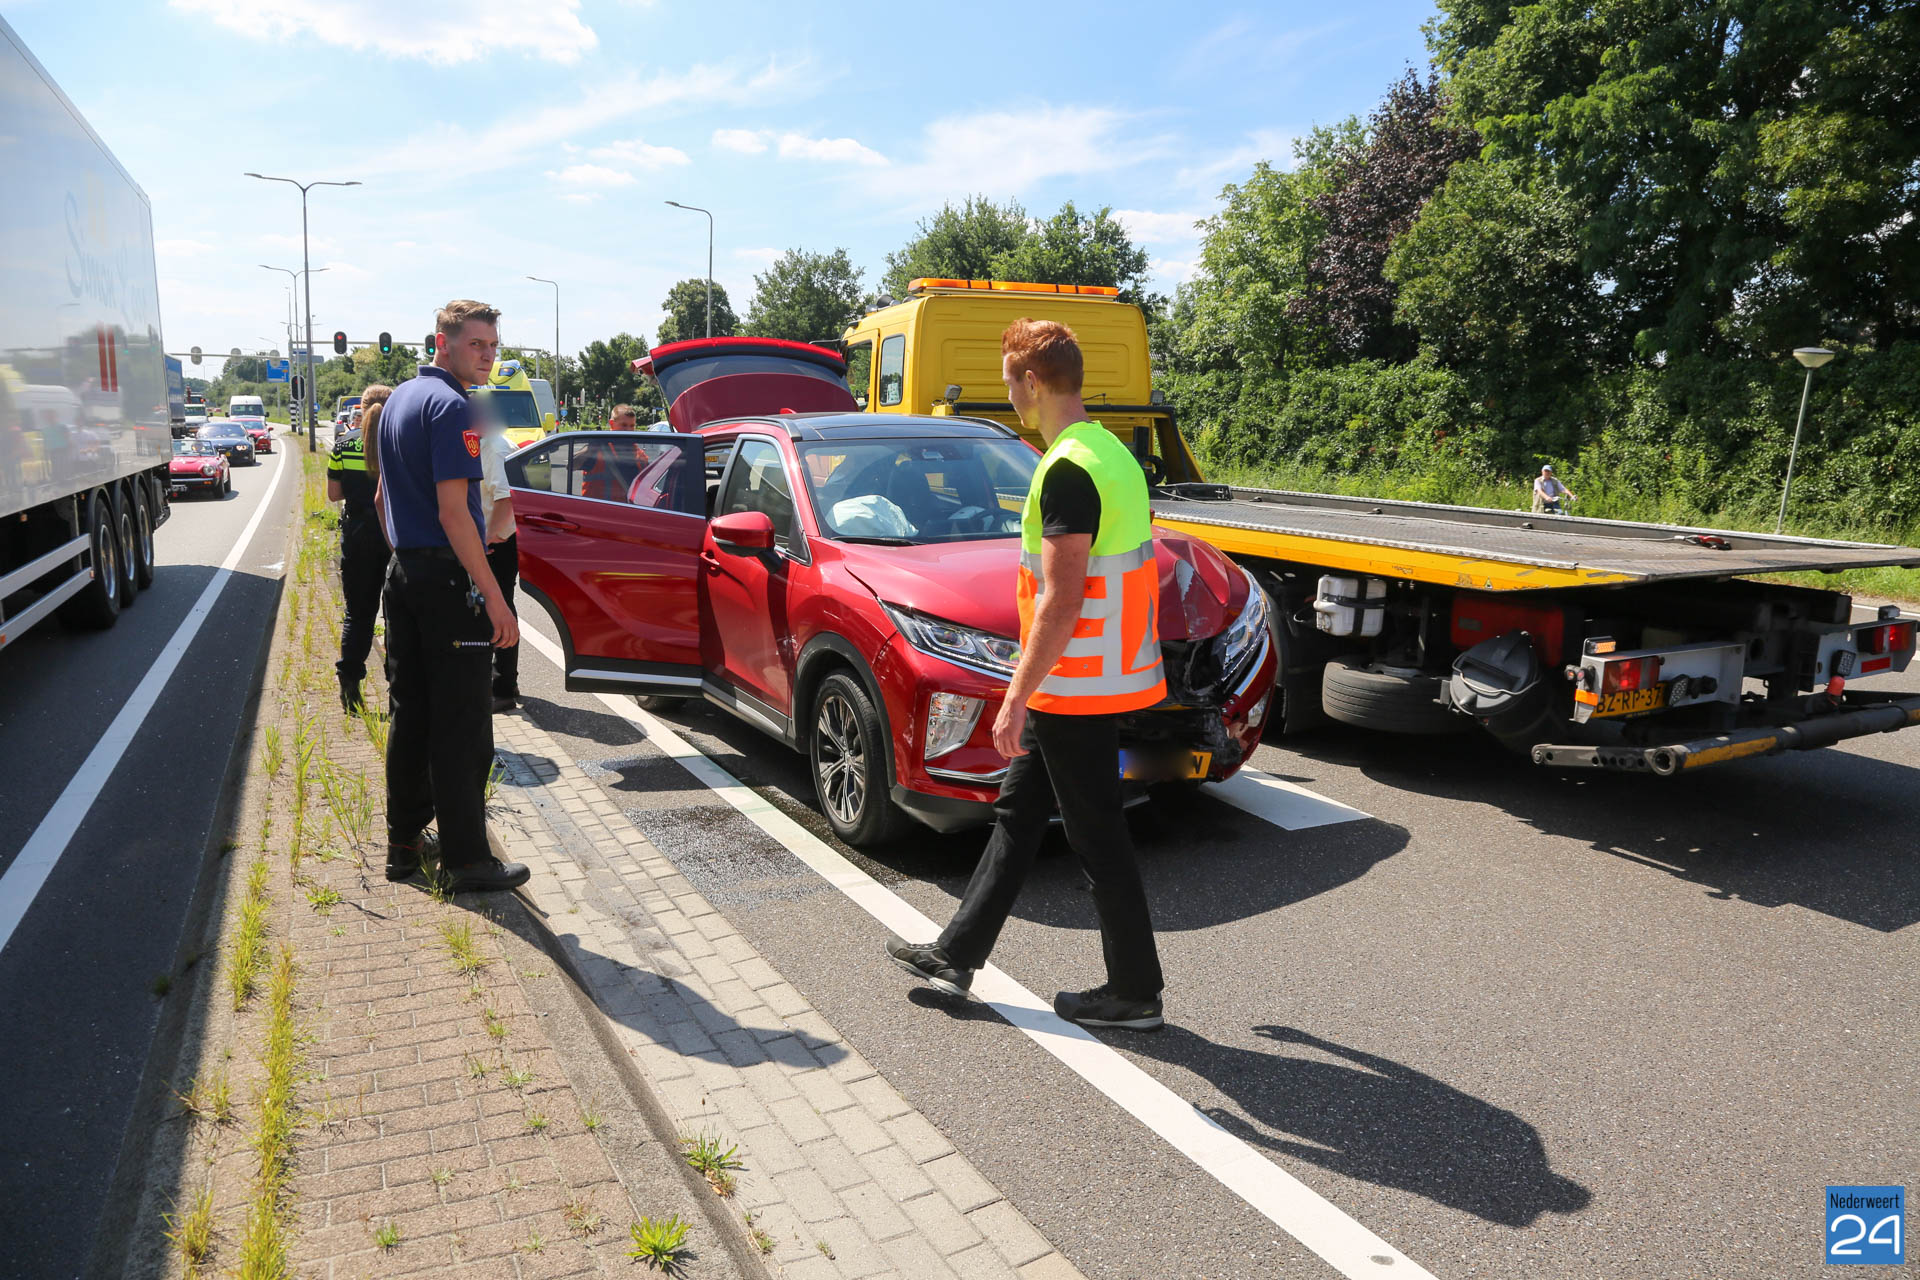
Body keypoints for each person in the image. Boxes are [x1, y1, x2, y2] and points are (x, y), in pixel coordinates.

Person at [885, 318, 1169, 1031]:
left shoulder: (1068, 468)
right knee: (1017, 816)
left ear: (1033, 382)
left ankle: (1135, 993)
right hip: (1092, 674)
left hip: (1075, 683)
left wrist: (1014, 696)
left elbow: (1062, 598)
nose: (1009, 392)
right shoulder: (1110, 452)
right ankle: (956, 954)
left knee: (1097, 835)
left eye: (1010, 379)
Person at [373, 299, 528, 893]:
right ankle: (467, 861)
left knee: (410, 714)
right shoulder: (455, 406)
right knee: (462, 725)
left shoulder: (398, 401)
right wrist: (494, 597)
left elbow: (383, 498)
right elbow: (454, 513)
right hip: (446, 583)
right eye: (476, 344)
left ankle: (403, 846)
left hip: (405, 575)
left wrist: (407, 562)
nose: (488, 355)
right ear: (442, 342)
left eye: (493, 345)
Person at [327, 383, 392, 712]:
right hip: (394, 534)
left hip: (357, 535)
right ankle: (399, 691)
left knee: (359, 614)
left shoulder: (342, 444)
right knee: (397, 616)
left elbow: (333, 494)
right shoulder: (399, 442)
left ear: (361, 409)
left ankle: (350, 689)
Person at [474, 391, 521, 714]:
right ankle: (502, 680)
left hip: (499, 543)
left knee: (498, 609)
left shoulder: (494, 447)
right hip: (495, 539)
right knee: (495, 607)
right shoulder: (486, 443)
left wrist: (490, 537)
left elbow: (506, 498)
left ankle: (504, 687)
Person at [579, 403, 643, 500]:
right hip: (595, 507)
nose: (628, 430)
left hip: (626, 508)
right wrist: (591, 447)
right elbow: (572, 464)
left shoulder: (638, 452)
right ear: (612, 424)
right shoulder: (598, 447)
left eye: (632, 426)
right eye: (624, 425)